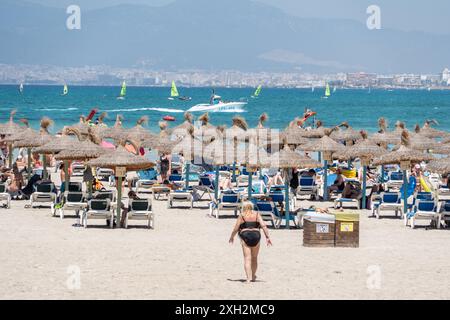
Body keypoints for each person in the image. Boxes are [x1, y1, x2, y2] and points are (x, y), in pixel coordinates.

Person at [229, 202, 272, 283]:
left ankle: (248, 279)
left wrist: (232, 237)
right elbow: (263, 225)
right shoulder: (256, 214)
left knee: (247, 258)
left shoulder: (242, 215)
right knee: (254, 258)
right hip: (256, 235)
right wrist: (267, 237)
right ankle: (253, 276)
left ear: (243, 207)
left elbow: (236, 228)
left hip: (245, 235)